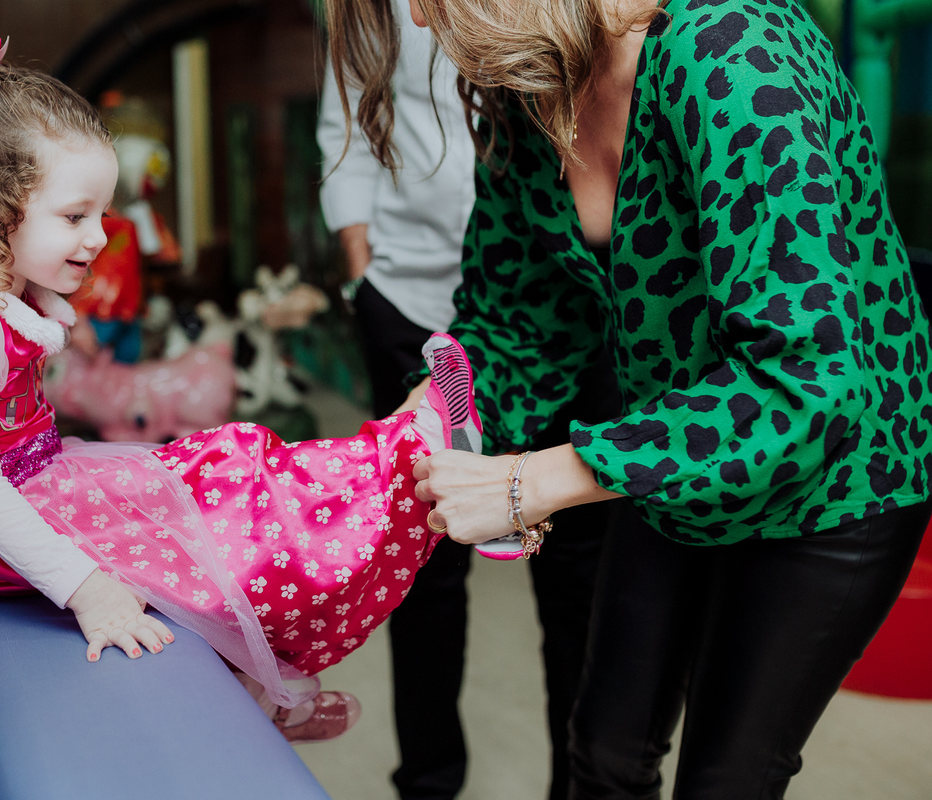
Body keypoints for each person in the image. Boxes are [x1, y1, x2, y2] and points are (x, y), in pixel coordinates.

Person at [325, 0, 932, 796]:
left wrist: (532, 482)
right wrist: (423, 422)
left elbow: (804, 383)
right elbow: (518, 319)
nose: (417, 20)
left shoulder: (732, 53)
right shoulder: (526, 86)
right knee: (604, 749)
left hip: (835, 477)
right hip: (673, 445)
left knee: (726, 777)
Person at [0, 31, 485, 744]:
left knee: (230, 464)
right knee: (206, 517)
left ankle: (398, 453)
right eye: (75, 216)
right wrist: (86, 589)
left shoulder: (0, 292)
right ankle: (405, 456)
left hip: (29, 480)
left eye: (100, 214)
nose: (98, 237)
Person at [318, 6, 617, 798]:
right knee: (422, 565)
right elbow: (341, 129)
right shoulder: (378, 19)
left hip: (557, 308)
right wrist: (361, 274)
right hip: (417, 303)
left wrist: (533, 482)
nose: (420, 16)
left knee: (578, 580)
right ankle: (429, 782)